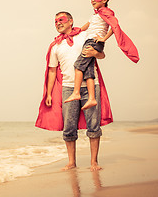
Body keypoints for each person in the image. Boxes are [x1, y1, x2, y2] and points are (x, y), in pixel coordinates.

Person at [35, 11, 113, 171]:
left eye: (61, 20)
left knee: (94, 125)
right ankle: (71, 162)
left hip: (91, 86)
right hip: (68, 88)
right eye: (55, 21)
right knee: (69, 126)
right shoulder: (55, 46)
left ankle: (94, 162)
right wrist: (49, 93)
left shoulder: (85, 36)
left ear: (71, 21)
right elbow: (51, 71)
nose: (58, 23)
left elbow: (102, 55)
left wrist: (96, 53)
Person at [65, 0, 140, 110]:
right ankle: (92, 99)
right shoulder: (96, 15)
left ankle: (76, 92)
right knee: (88, 72)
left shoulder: (106, 12)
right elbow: (84, 27)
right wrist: (74, 32)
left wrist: (104, 38)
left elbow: (115, 25)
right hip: (90, 41)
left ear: (105, 0)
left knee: (78, 66)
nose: (93, 0)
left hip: (93, 42)